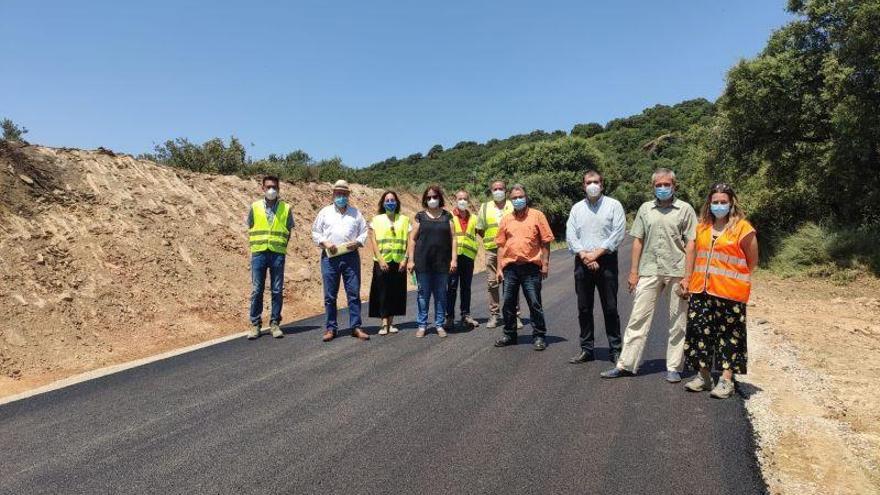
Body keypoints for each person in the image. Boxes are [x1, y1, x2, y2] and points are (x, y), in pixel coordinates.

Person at [601, 168, 697, 382]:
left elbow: (691, 244)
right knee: (637, 318)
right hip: (649, 269)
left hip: (677, 270)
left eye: (667, 184)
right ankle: (626, 364)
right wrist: (633, 272)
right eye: (658, 185)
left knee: (678, 320)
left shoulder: (685, 209)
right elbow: (638, 241)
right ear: (652, 187)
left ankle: (674, 366)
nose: (663, 188)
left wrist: (688, 277)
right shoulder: (645, 209)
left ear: (674, 185)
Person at [683, 183, 758, 399]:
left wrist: (734, 276)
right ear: (709, 204)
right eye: (715, 202)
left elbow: (752, 259)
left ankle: (726, 380)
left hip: (730, 293)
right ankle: (704, 376)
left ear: (731, 203)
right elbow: (693, 253)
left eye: (723, 202)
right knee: (698, 332)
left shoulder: (743, 228)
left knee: (729, 336)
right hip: (701, 290)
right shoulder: (702, 227)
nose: (719, 205)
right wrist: (687, 279)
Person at [565, 170, 626, 364]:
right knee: (584, 308)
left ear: (602, 184)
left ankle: (616, 349)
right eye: (588, 182)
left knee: (610, 307)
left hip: (606, 262)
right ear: (583, 186)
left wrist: (596, 254)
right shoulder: (576, 208)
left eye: (596, 182)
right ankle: (586, 349)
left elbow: (618, 233)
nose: (592, 185)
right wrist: (585, 256)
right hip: (583, 263)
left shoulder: (614, 205)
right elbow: (571, 235)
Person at [493, 184, 555, 351]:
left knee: (534, 302)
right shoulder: (506, 219)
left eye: (520, 197)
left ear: (526, 198)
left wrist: (545, 264)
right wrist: (499, 268)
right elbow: (500, 245)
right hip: (510, 268)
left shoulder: (537, 215)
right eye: (514, 198)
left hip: (531, 268)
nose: (518, 200)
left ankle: (539, 335)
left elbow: (546, 241)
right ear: (510, 200)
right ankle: (509, 334)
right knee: (508, 303)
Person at [311, 179, 370, 342]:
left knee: (353, 293)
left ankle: (356, 327)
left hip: (351, 257)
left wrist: (357, 242)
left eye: (344, 194)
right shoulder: (324, 213)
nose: (341, 196)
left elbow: (364, 232)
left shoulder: (356, 213)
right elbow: (315, 232)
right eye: (338, 194)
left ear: (348, 195)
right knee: (330, 295)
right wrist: (325, 243)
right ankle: (331, 328)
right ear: (333, 194)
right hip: (330, 258)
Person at [246, 175, 294, 340]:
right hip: (259, 253)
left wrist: (281, 247)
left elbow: (288, 230)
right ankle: (255, 324)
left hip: (277, 254)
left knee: (276, 290)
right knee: (257, 290)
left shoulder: (286, 208)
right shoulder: (255, 207)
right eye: (268, 187)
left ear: (278, 188)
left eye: (274, 186)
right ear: (263, 188)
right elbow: (251, 225)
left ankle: (274, 323)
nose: (271, 190)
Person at [406, 185, 457, 338]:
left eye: (434, 197)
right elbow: (412, 239)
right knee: (423, 295)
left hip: (442, 262)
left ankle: (439, 325)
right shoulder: (420, 217)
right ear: (425, 200)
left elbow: (454, 239)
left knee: (441, 294)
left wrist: (454, 259)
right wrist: (411, 260)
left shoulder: (447, 216)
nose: (432, 199)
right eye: (429, 197)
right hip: (423, 263)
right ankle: (422, 325)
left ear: (439, 198)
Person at [476, 180, 519, 329]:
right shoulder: (485, 207)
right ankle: (495, 315)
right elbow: (480, 229)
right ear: (491, 190)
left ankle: (515, 315)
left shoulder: (513, 205)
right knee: (492, 283)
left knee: (511, 283)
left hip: (510, 251)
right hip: (491, 250)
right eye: (495, 189)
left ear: (506, 191)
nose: (498, 191)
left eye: (501, 188)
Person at [367, 191, 410, 336]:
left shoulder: (404, 220)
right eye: (387, 200)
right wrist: (379, 258)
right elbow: (372, 240)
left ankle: (391, 323)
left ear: (397, 202)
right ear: (383, 203)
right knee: (382, 291)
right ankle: (383, 323)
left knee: (395, 291)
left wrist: (405, 259)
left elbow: (409, 241)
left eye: (392, 200)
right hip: (382, 261)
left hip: (398, 261)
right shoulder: (376, 220)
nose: (390, 202)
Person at [446, 190, 480, 330]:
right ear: (455, 199)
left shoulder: (474, 218)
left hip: (468, 258)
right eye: (460, 198)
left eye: (465, 199)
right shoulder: (449, 217)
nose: (462, 201)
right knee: (452, 287)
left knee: (466, 287)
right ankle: (449, 317)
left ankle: (466, 315)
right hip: (453, 258)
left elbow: (479, 234)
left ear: (468, 200)